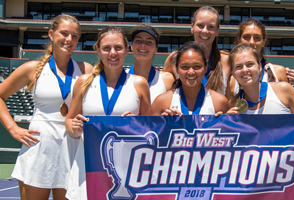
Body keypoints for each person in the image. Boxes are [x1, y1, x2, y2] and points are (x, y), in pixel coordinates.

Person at [0, 14, 93, 200]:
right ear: (51, 34)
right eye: (64, 33)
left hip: (73, 148)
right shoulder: (32, 68)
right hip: (39, 148)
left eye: (75, 36)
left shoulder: (86, 69)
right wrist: (13, 128)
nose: (69, 40)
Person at [228, 43, 294, 199]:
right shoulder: (232, 105)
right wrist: (227, 124)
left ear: (260, 67)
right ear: (232, 72)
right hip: (262, 188)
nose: (245, 70)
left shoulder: (283, 90)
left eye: (250, 64)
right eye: (238, 66)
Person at [65, 26, 150, 200]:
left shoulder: (139, 83)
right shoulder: (83, 82)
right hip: (87, 163)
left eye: (118, 47)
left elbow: (150, 126)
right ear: (97, 50)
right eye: (106, 48)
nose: (113, 53)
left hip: (127, 168)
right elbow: (69, 120)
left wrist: (138, 123)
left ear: (127, 49)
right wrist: (74, 127)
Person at [163, 6, 231, 96]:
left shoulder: (226, 61)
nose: (205, 31)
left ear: (217, 31)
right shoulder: (174, 58)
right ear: (192, 27)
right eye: (200, 25)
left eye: (211, 27)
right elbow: (165, 91)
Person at [151, 41, 229, 116]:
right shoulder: (161, 102)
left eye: (197, 66)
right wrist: (163, 125)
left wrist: (222, 123)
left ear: (205, 68)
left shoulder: (219, 102)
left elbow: (229, 129)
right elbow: (149, 129)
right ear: (177, 69)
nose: (191, 72)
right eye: (185, 67)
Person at [234, 18, 294, 84]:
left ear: (263, 42)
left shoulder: (278, 73)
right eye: (246, 37)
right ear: (239, 40)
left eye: (257, 38)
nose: (251, 42)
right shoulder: (229, 73)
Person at [129, 24, 175, 103]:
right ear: (131, 46)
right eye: (138, 40)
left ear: (156, 49)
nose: (143, 45)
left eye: (149, 42)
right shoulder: (120, 78)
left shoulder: (167, 80)